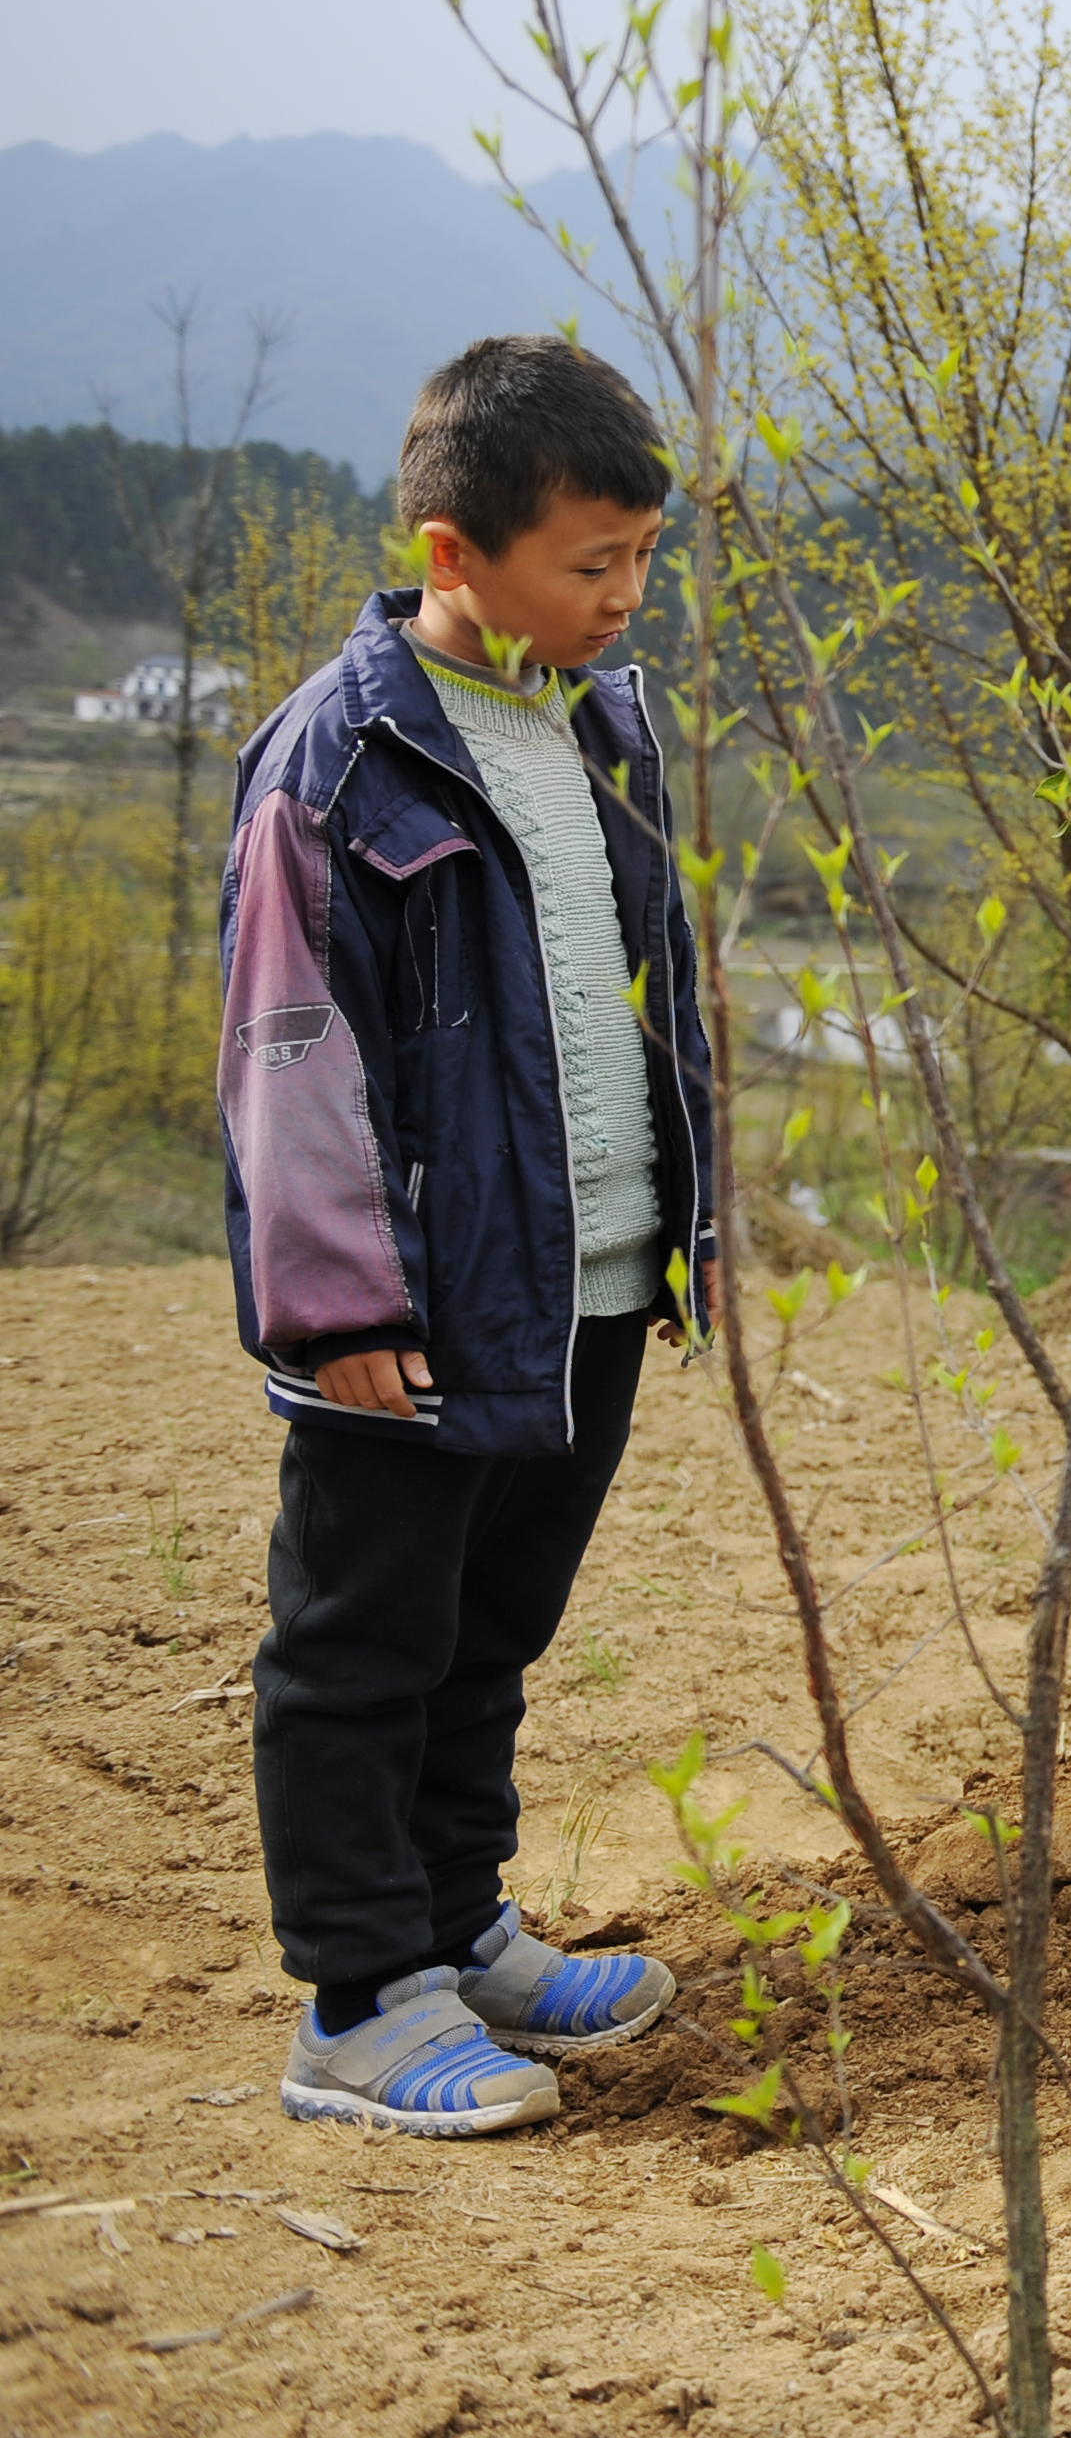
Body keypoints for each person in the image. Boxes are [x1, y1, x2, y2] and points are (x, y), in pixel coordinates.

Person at [221, 334, 718, 2132]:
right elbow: (290, 1050)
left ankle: (456, 1932)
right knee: (363, 1641)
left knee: (488, 1630)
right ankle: (359, 2002)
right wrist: (333, 1299)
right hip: (412, 1302)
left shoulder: (600, 729)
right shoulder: (341, 765)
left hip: (578, 1279)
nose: (625, 596)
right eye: (592, 563)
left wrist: (672, 1233)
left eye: (642, 557)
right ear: (454, 552)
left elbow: (631, 1003)